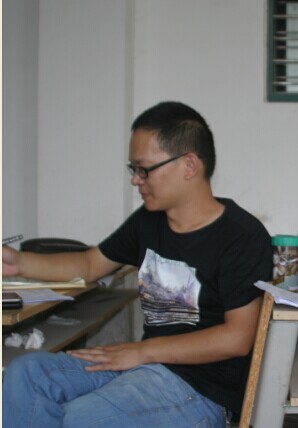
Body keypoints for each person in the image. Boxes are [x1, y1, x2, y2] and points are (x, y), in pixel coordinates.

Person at [2, 101, 273, 428]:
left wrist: (142, 352)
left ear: (189, 165)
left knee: (79, 418)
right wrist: (18, 263)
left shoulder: (241, 236)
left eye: (144, 169)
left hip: (199, 391)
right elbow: (90, 264)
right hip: (141, 366)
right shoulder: (148, 221)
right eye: (133, 169)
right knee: (25, 375)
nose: (136, 180)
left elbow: (238, 337)